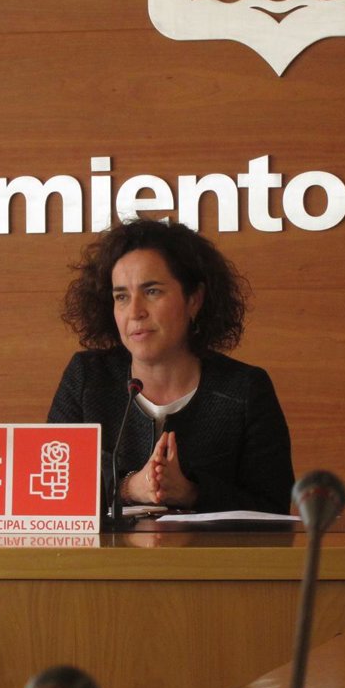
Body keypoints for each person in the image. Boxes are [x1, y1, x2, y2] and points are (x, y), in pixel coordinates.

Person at [47, 218, 294, 514]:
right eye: (121, 296)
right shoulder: (87, 378)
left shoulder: (245, 389)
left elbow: (273, 508)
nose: (135, 312)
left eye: (152, 292)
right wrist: (129, 488)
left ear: (194, 300)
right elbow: (53, 489)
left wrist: (191, 493)